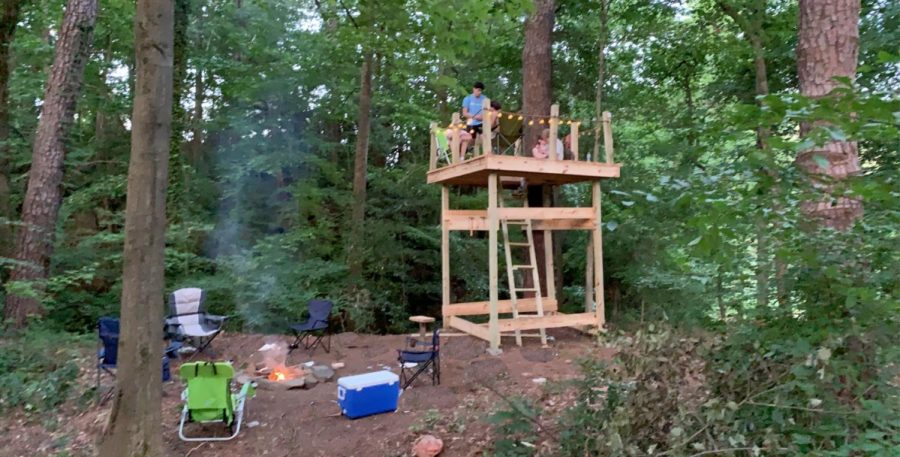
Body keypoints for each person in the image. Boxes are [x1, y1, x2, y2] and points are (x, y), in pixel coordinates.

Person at [459, 82, 486, 158]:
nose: (479, 92)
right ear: (474, 89)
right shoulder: (467, 99)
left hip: (481, 122)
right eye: (478, 90)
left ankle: (486, 154)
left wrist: (483, 116)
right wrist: (476, 117)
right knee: (469, 140)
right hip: (471, 123)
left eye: (481, 91)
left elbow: (487, 111)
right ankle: (464, 154)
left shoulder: (484, 99)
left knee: (484, 137)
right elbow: (465, 113)